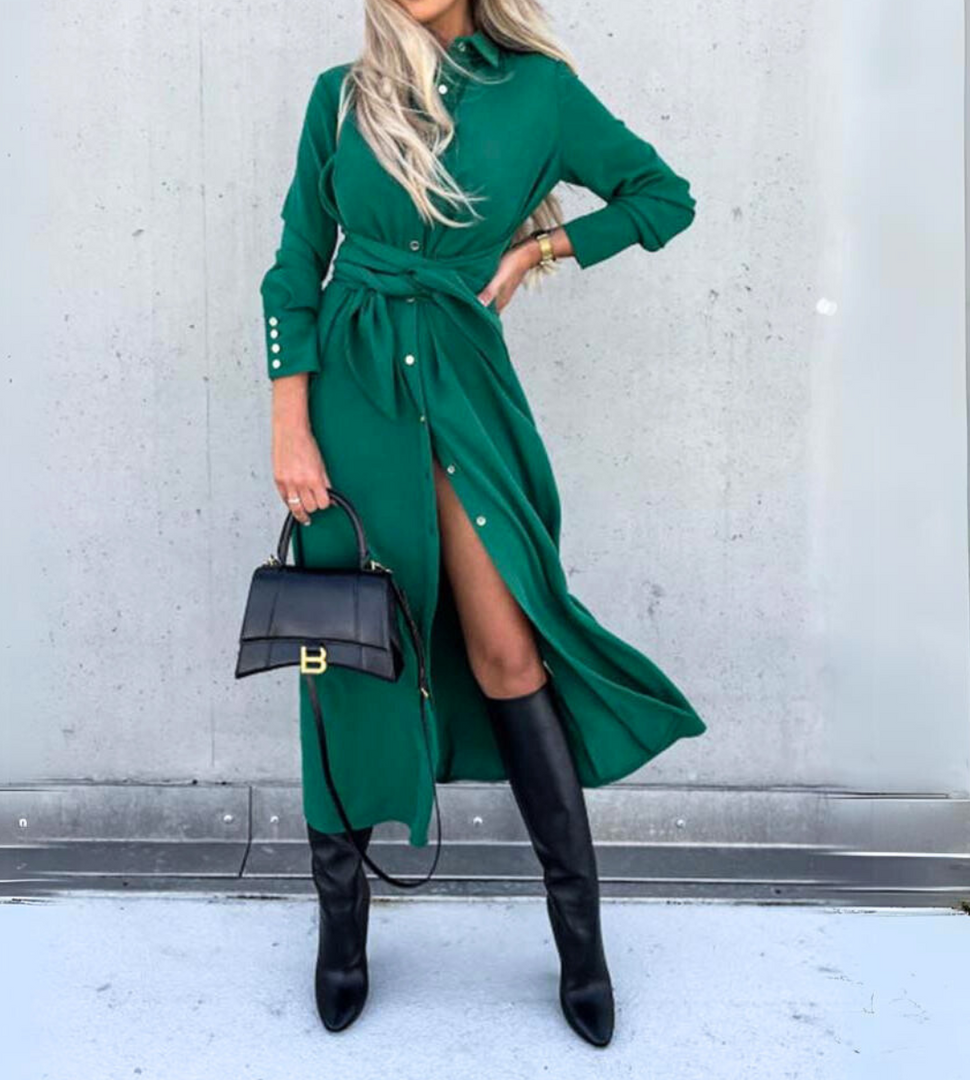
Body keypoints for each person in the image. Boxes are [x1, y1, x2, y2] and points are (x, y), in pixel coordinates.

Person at [259, 0, 707, 1047]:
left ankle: (581, 945)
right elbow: (294, 265)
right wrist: (291, 427)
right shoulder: (339, 100)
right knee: (350, 653)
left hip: (463, 391)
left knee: (509, 651)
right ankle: (343, 934)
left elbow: (663, 196)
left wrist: (539, 250)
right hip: (352, 403)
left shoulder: (539, 92)